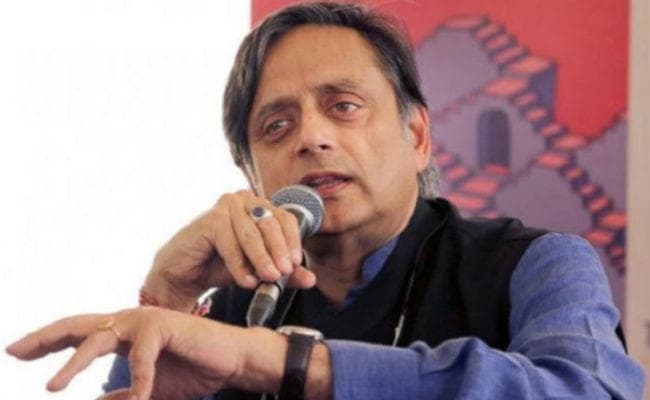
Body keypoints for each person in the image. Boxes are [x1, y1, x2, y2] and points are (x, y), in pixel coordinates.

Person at [6, 2, 645, 400]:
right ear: (252, 174)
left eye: (343, 106)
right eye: (276, 126)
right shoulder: (228, 308)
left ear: (417, 137)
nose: (311, 137)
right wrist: (168, 296)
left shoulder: (536, 264)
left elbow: (590, 391)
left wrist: (278, 363)